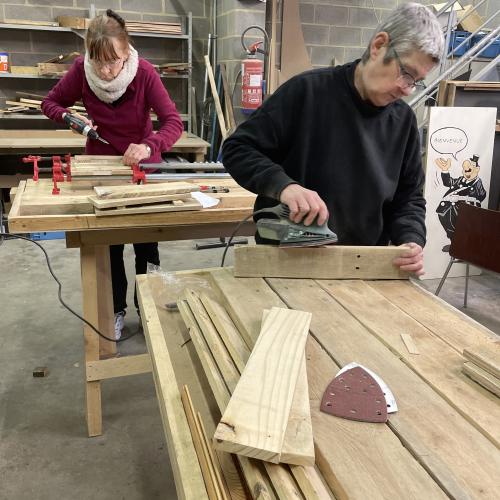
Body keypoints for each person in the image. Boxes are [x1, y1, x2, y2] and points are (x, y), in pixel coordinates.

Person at [222, 3, 445, 277]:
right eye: (406, 73)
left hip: (362, 266)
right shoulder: (307, 93)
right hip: (288, 262)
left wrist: (411, 239)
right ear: (379, 45)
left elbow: (408, 197)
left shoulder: (404, 121)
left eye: (417, 82)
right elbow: (237, 148)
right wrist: (284, 187)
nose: (407, 89)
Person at [42, 10, 183, 339]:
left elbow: (173, 122)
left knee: (147, 245)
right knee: (110, 246)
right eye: (99, 62)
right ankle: (115, 309)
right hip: (102, 169)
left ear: (127, 51)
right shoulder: (81, 70)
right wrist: (71, 119)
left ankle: (149, 309)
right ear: (89, 54)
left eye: (114, 61)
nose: (106, 71)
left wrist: (149, 145)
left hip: (143, 167)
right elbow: (50, 103)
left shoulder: (144, 73)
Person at [435, 154, 486, 251]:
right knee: (449, 226)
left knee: (462, 228)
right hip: (447, 208)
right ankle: (454, 244)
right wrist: (445, 170)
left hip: (464, 210)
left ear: (476, 170)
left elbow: (482, 195)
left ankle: (463, 246)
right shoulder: (459, 180)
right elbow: (448, 182)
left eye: (469, 170)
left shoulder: (477, 183)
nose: (466, 173)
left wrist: (468, 199)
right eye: (464, 170)